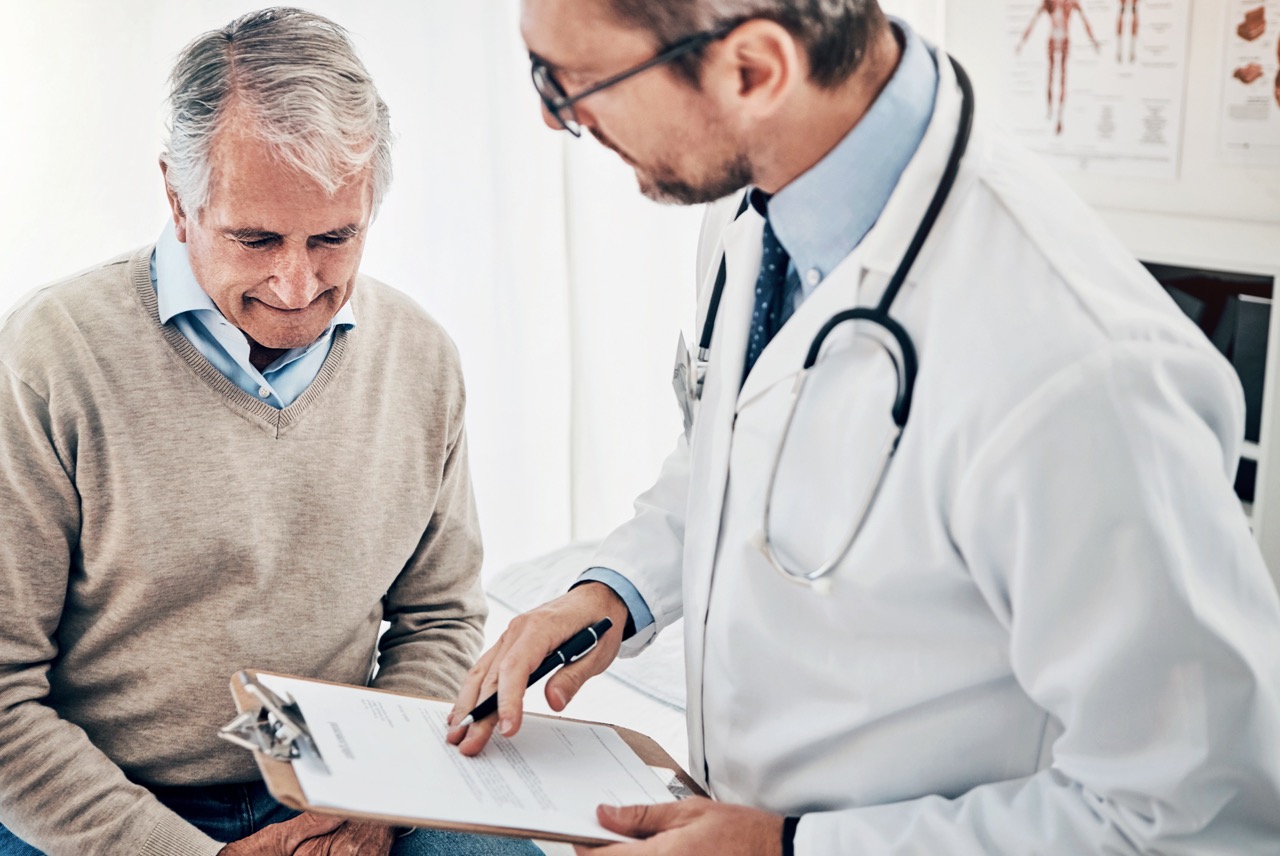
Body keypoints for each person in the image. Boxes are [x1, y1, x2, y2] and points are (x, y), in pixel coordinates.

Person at [448, 1, 1280, 854]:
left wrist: (789, 846)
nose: (553, 115)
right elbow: (733, 461)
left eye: (578, 81)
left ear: (754, 71)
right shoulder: (760, 209)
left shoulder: (1080, 370)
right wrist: (609, 594)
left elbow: (1190, 816)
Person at [0, 8, 540, 856]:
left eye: (335, 237)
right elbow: (1, 698)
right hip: (101, 797)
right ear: (179, 203)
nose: (298, 284)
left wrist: (377, 804)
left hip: (345, 783)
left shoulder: (420, 358)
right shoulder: (48, 358)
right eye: (255, 239)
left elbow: (436, 622)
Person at [1016, 0, 1100, 134]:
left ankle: (1059, 116)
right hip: (1053, 39)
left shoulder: (1071, 3)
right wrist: (1021, 42)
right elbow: (1033, 22)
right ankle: (1050, 111)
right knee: (1050, 77)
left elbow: (1085, 22)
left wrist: (1094, 41)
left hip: (1064, 39)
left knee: (1062, 79)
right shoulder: (1049, 3)